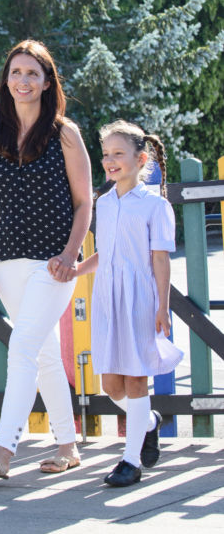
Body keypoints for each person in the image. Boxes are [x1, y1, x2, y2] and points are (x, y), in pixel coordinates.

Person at [0, 39, 92, 479]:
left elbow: (84, 202)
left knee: (21, 347)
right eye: (16, 73)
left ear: (46, 82)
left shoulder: (65, 133)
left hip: (51, 263)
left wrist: (70, 253)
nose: (23, 81)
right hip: (5, 262)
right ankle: (68, 446)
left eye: (32, 74)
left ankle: (3, 448)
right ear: (6, 80)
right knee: (42, 355)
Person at [75, 120, 183, 487]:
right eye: (106, 154)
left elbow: (160, 259)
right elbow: (106, 254)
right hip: (107, 297)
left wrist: (161, 307)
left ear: (141, 159)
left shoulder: (154, 206)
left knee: (137, 380)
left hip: (139, 298)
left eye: (118, 154)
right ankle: (148, 422)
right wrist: (76, 272)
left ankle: (130, 460)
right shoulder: (103, 204)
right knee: (111, 386)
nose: (110, 161)